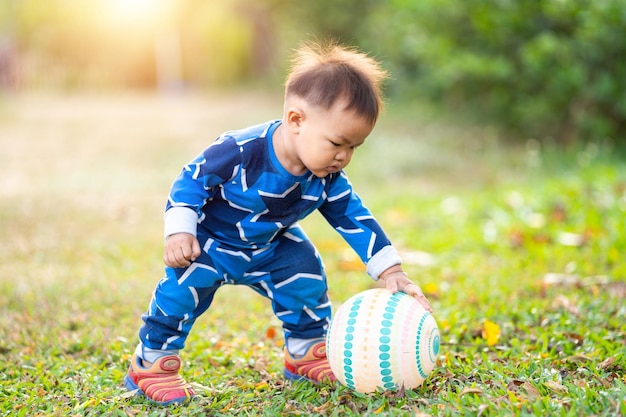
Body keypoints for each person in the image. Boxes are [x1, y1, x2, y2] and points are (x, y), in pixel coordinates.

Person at [124, 40, 433, 405]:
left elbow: (353, 217)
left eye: (354, 147)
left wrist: (389, 269)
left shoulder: (326, 178)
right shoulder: (241, 150)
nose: (343, 157)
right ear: (296, 120)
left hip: (271, 247)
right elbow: (192, 179)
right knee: (180, 293)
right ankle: (153, 363)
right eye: (337, 143)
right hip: (209, 243)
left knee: (304, 271)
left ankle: (306, 350)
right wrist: (180, 229)